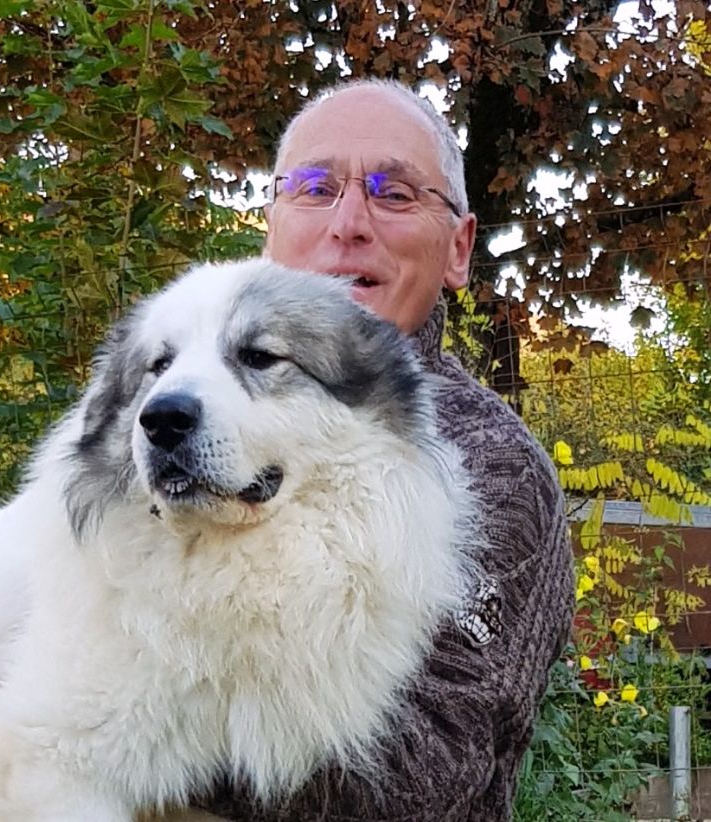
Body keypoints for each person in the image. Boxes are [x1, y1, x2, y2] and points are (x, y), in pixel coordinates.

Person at [195, 79, 575, 821]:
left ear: (459, 248)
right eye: (314, 188)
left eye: (394, 194)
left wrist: (123, 718)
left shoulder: (489, 467)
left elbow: (421, 777)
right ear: (270, 229)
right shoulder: (184, 409)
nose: (349, 223)